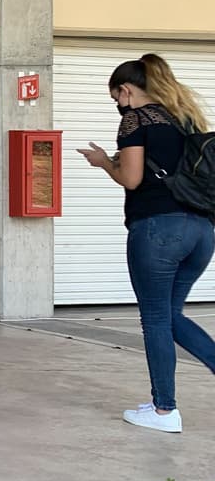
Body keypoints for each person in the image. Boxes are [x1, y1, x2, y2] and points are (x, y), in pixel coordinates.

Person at [76, 53, 215, 433]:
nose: (118, 105)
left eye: (115, 98)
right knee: (170, 315)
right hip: (201, 232)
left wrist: (105, 162)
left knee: (155, 319)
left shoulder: (135, 120)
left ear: (126, 90)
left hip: (158, 231)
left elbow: (132, 179)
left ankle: (164, 411)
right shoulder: (186, 118)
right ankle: (166, 403)